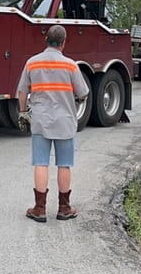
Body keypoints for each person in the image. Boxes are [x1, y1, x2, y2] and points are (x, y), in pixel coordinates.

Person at [15, 24, 90, 222]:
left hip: (41, 121)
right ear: (64, 43)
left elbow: (22, 91)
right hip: (65, 122)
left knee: (41, 162)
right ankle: (64, 208)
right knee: (64, 164)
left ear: (46, 40)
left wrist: (23, 113)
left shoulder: (32, 63)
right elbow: (83, 93)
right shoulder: (71, 65)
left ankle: (39, 209)